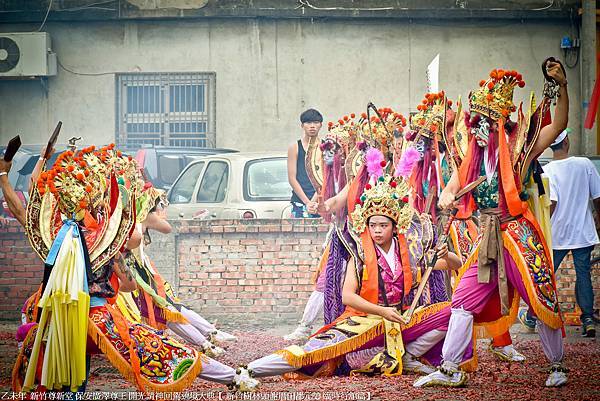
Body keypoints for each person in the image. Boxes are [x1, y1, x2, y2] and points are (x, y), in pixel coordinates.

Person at [414, 62, 569, 389]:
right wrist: (445, 197)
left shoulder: (519, 149)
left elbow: (557, 128)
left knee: (540, 300)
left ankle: (557, 365)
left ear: (499, 123)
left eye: (485, 123)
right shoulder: (471, 157)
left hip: (518, 234)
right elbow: (450, 188)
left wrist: (563, 88)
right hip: (487, 238)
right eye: (476, 123)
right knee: (463, 299)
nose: (479, 129)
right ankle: (450, 368)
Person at [231, 173, 465, 388]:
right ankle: (249, 370)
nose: (377, 231)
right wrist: (382, 312)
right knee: (313, 351)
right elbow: (348, 296)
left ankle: (410, 355)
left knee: (453, 311)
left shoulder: (410, 253)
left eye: (383, 226)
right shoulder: (360, 254)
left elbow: (453, 265)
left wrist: (446, 254)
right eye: (373, 226)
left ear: (395, 228)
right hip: (364, 320)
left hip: (401, 317)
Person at [539, 128, 598, 337]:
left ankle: (533, 314)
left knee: (546, 275)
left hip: (558, 234)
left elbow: (551, 203)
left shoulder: (548, 170)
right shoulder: (585, 164)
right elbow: (598, 198)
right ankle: (588, 319)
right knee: (584, 275)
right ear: (566, 143)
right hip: (583, 232)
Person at [288, 108, 323, 218]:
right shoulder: (294, 147)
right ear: (302, 125)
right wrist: (307, 202)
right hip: (299, 201)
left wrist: (315, 199)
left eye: (316, 122)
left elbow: (327, 177)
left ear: (321, 125)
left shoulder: (326, 147)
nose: (312, 126)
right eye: (308, 122)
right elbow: (292, 178)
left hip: (321, 201)